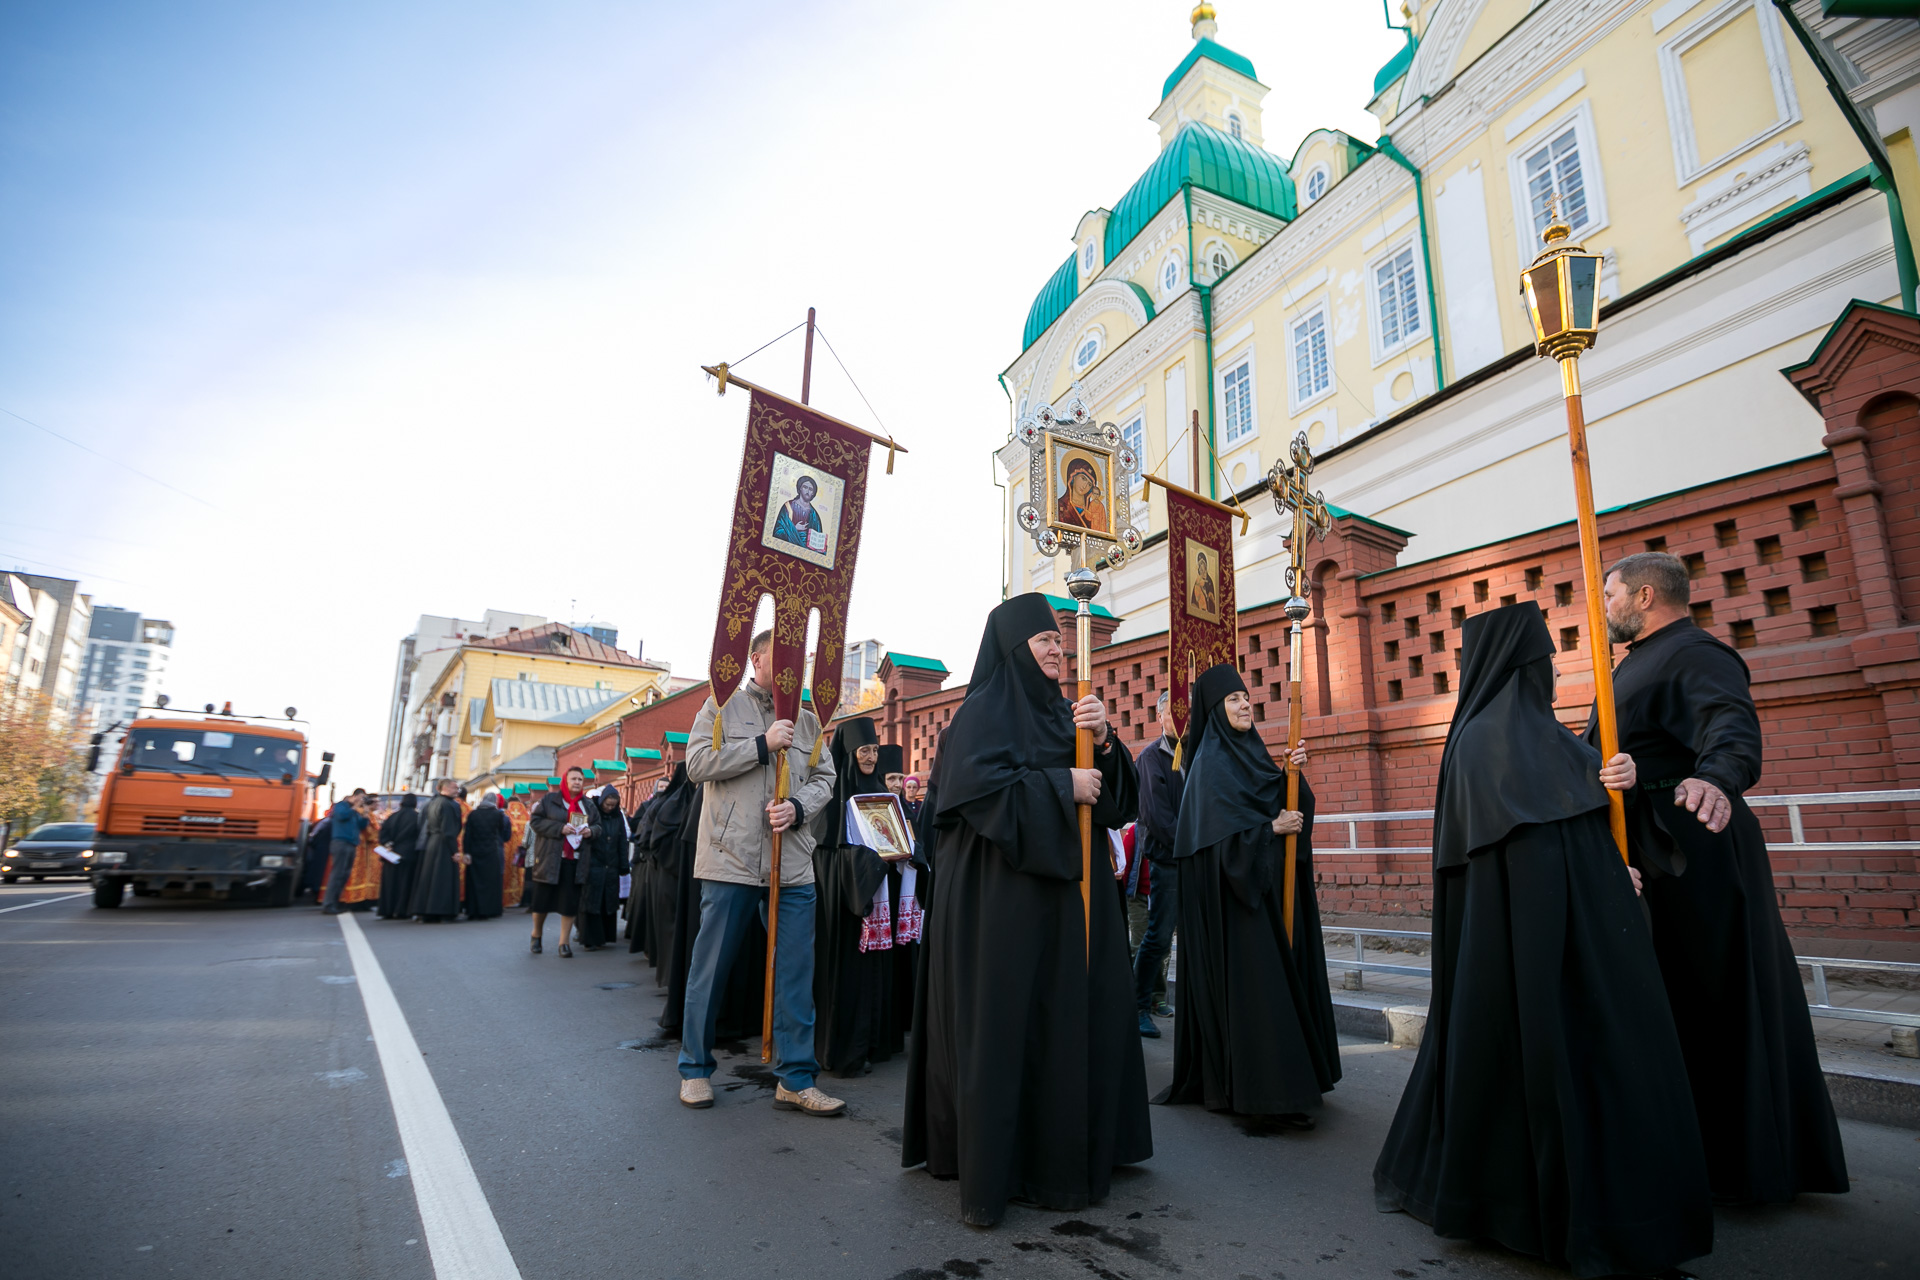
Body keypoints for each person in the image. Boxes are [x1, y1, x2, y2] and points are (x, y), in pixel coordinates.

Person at [1375, 601, 1712, 1278]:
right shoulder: (1501, 741)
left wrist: (1622, 787)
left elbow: (1579, 829)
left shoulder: (1509, 737)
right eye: (1546, 663)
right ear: (1522, 663)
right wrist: (1609, 876)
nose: (1553, 677)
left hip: (1538, 944)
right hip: (1549, 955)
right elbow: (1542, 862)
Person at [1592, 552, 1847, 1204]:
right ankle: (1687, 1146)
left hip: (1692, 852)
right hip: (1648, 852)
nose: (1603, 605)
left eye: (1610, 592)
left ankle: (1742, 1164)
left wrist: (1715, 776)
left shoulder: (1695, 652)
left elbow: (1729, 723)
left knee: (1714, 1000)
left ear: (1646, 597)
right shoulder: (1630, 662)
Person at [903, 593, 1147, 1227]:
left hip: (1070, 901)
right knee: (1012, 1024)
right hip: (1003, 903)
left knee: (1067, 1021)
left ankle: (1072, 1144)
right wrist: (1061, 785)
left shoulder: (1067, 714)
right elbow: (975, 794)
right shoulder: (981, 714)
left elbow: (1117, 806)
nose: (1058, 652)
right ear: (1016, 648)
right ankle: (1004, 1164)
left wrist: (1106, 742)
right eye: (1045, 643)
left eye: (1060, 643)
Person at [1156, 663, 1339, 1122]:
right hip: (1234, 910)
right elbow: (1213, 849)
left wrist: (1290, 777)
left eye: (1246, 697)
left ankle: (1292, 1080)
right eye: (1234, 699)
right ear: (1215, 710)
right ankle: (1265, 1094)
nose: (1245, 704)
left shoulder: (1253, 754)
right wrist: (1269, 829)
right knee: (1259, 994)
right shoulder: (1208, 768)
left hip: (1263, 896)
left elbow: (1281, 802)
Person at [678, 628, 843, 1116]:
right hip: (729, 857)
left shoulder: (809, 721)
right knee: (711, 970)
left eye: (801, 656)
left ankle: (795, 1077)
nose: (795, 663)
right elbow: (696, 763)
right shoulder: (720, 705)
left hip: (791, 863)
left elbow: (825, 778)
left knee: (795, 974)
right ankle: (694, 1069)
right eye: (784, 654)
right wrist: (760, 744)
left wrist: (797, 806)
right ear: (757, 658)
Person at [813, 718, 899, 1077]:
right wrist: (869, 861)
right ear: (849, 755)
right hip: (845, 909)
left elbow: (897, 841)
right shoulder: (831, 800)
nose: (871, 757)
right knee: (846, 976)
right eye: (865, 750)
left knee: (877, 973)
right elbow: (826, 856)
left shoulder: (882, 793)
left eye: (875, 750)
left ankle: (874, 1044)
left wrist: (908, 852)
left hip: (876, 898)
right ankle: (845, 1051)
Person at [1131, 690, 1182, 1033]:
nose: (1183, 719)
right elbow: (1160, 821)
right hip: (1169, 861)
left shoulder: (1200, 753)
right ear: (1161, 717)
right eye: (1175, 713)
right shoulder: (1151, 758)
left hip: (1199, 858)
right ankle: (1137, 1006)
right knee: (1159, 936)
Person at [528, 766, 599, 957]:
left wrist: (591, 831)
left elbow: (598, 826)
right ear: (565, 781)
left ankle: (563, 943)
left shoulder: (588, 805)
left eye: (580, 779)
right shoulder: (550, 800)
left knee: (569, 904)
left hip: (575, 861)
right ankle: (536, 934)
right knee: (541, 902)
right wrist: (559, 828)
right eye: (573, 779)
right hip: (550, 859)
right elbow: (535, 822)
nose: (577, 782)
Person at [578, 785, 629, 949]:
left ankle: (605, 936)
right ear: (601, 801)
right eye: (607, 804)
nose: (609, 808)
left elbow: (622, 841)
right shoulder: (593, 813)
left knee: (608, 902)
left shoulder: (618, 817)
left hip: (611, 865)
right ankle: (590, 939)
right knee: (592, 901)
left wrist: (623, 864)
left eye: (612, 805)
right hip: (593, 864)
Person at [409, 781, 464, 922]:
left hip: (432, 842)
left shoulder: (433, 803)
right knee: (442, 879)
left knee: (430, 878)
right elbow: (449, 829)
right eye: (454, 788)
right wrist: (454, 851)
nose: (457, 790)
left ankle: (427, 911)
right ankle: (441, 911)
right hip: (444, 844)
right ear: (444, 789)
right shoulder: (450, 805)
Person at [462, 790, 512, 921]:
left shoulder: (473, 814)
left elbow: (467, 835)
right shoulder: (498, 815)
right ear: (494, 802)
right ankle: (488, 910)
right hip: (492, 852)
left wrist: (466, 852)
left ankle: (473, 910)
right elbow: (504, 835)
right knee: (490, 882)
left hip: (475, 851)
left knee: (474, 881)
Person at [320, 789, 371, 915]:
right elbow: (341, 816)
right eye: (360, 797)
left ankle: (336, 902)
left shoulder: (354, 811)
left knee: (344, 874)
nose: (361, 800)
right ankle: (328, 904)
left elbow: (361, 825)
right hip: (341, 842)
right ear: (354, 796)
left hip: (352, 844)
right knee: (337, 873)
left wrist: (365, 814)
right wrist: (354, 806)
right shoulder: (341, 806)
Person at [375, 794, 422, 920]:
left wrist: (388, 844)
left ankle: (387, 910)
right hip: (409, 855)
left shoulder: (392, 817)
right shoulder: (417, 817)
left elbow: (382, 834)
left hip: (391, 854)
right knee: (405, 884)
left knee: (389, 883)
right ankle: (402, 910)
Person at [771, 475, 827, 553]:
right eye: (805, 487)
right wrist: (795, 528)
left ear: (813, 493)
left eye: (811, 489)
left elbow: (818, 539)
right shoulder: (788, 506)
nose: (807, 491)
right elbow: (777, 532)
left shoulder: (814, 515)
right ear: (800, 488)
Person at [1054, 456, 1108, 531]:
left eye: (1089, 484)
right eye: (1083, 478)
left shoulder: (1093, 509)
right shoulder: (1059, 505)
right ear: (1073, 476)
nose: (1085, 486)